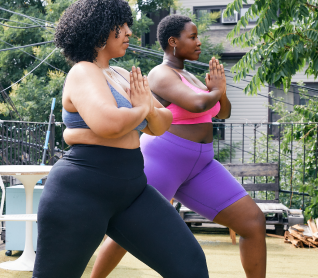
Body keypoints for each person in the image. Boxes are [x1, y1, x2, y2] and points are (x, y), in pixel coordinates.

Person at [32, 2, 210, 278]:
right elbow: (109, 124)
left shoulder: (123, 75)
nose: (129, 32)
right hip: (81, 191)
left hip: (132, 189)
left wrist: (146, 111)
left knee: (190, 266)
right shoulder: (82, 71)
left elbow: (163, 124)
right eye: (121, 26)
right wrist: (141, 110)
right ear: (99, 29)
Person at [90, 14, 267, 278]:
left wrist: (221, 92)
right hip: (165, 161)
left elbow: (222, 113)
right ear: (173, 41)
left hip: (202, 165)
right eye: (192, 37)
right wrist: (215, 92)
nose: (199, 42)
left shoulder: (191, 77)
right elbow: (196, 105)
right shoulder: (160, 74)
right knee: (126, 232)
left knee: (253, 222)